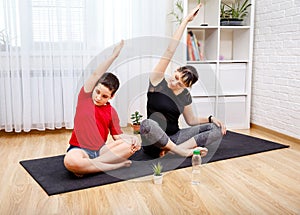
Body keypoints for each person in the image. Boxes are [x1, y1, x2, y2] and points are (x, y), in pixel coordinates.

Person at [140, 4, 226, 158]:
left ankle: (170, 151)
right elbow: (170, 50)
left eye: (181, 84)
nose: (175, 83)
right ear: (176, 71)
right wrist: (186, 20)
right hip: (154, 141)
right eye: (176, 78)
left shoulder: (185, 95)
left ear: (187, 87)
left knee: (216, 129)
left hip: (175, 138)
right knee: (147, 124)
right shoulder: (157, 81)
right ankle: (181, 152)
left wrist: (212, 119)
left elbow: (191, 120)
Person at [64, 40, 141, 176]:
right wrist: (113, 56)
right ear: (93, 88)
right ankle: (110, 167)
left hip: (101, 151)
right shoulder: (84, 99)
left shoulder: (111, 112)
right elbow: (95, 75)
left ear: (111, 96)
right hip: (80, 149)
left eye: (104, 96)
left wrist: (132, 139)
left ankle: (89, 167)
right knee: (70, 161)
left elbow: (118, 136)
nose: (99, 97)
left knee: (133, 146)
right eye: (97, 92)